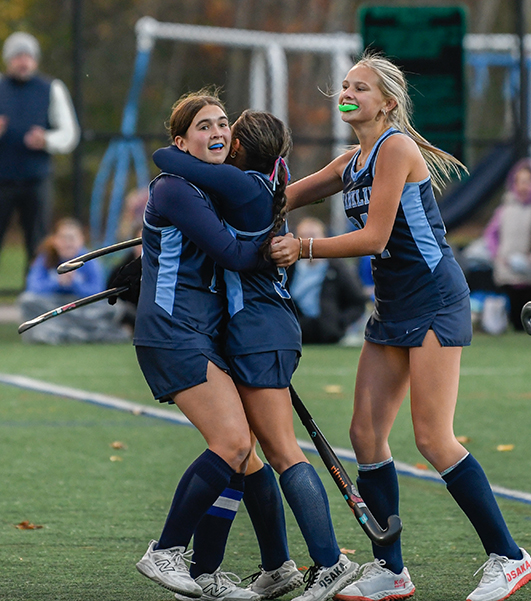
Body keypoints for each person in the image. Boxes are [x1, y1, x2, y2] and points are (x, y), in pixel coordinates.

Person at [269, 52, 531, 601]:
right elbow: (285, 197)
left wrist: (303, 247)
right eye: (345, 85)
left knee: (433, 437)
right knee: (365, 434)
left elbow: (374, 237)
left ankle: (510, 557)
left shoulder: (395, 149)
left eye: (361, 88)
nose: (348, 94)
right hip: (393, 306)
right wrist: (221, 203)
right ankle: (391, 569)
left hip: (435, 300)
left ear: (387, 103)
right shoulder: (351, 160)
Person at [126, 93, 354, 601]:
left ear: (239, 147)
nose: (217, 132)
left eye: (223, 124)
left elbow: (229, 251)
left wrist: (284, 249)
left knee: (253, 449)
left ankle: (296, 564)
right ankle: (217, 565)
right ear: (183, 139)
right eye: (204, 126)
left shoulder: (230, 185)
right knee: (240, 450)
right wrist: (147, 262)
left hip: (246, 329)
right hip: (185, 332)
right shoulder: (190, 187)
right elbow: (202, 236)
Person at [0, 31, 80, 334]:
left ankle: (37, 311)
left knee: (38, 247)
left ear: (35, 60)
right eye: (17, 56)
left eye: (27, 56)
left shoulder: (51, 88)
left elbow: (69, 134)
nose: (23, 62)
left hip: (36, 181)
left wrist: (47, 139)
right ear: (7, 60)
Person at [18, 218, 127, 345]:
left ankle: (61, 332)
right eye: (63, 238)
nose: (68, 243)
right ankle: (86, 333)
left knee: (115, 308)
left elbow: (98, 292)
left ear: (81, 240)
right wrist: (57, 282)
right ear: (55, 240)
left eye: (72, 238)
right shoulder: (45, 258)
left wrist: (75, 283)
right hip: (54, 307)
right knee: (27, 301)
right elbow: (33, 287)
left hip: (80, 307)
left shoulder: (90, 260)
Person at [485, 159, 531, 331]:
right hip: (508, 271)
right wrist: (497, 254)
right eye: (520, 181)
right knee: (516, 318)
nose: (524, 187)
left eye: (528, 181)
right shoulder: (505, 209)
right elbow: (491, 234)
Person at [287, 217, 368, 344]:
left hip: (327, 333)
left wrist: (339, 323)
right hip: (295, 331)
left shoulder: (336, 268)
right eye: (303, 236)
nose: (307, 241)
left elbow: (358, 301)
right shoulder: (288, 268)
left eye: (312, 236)